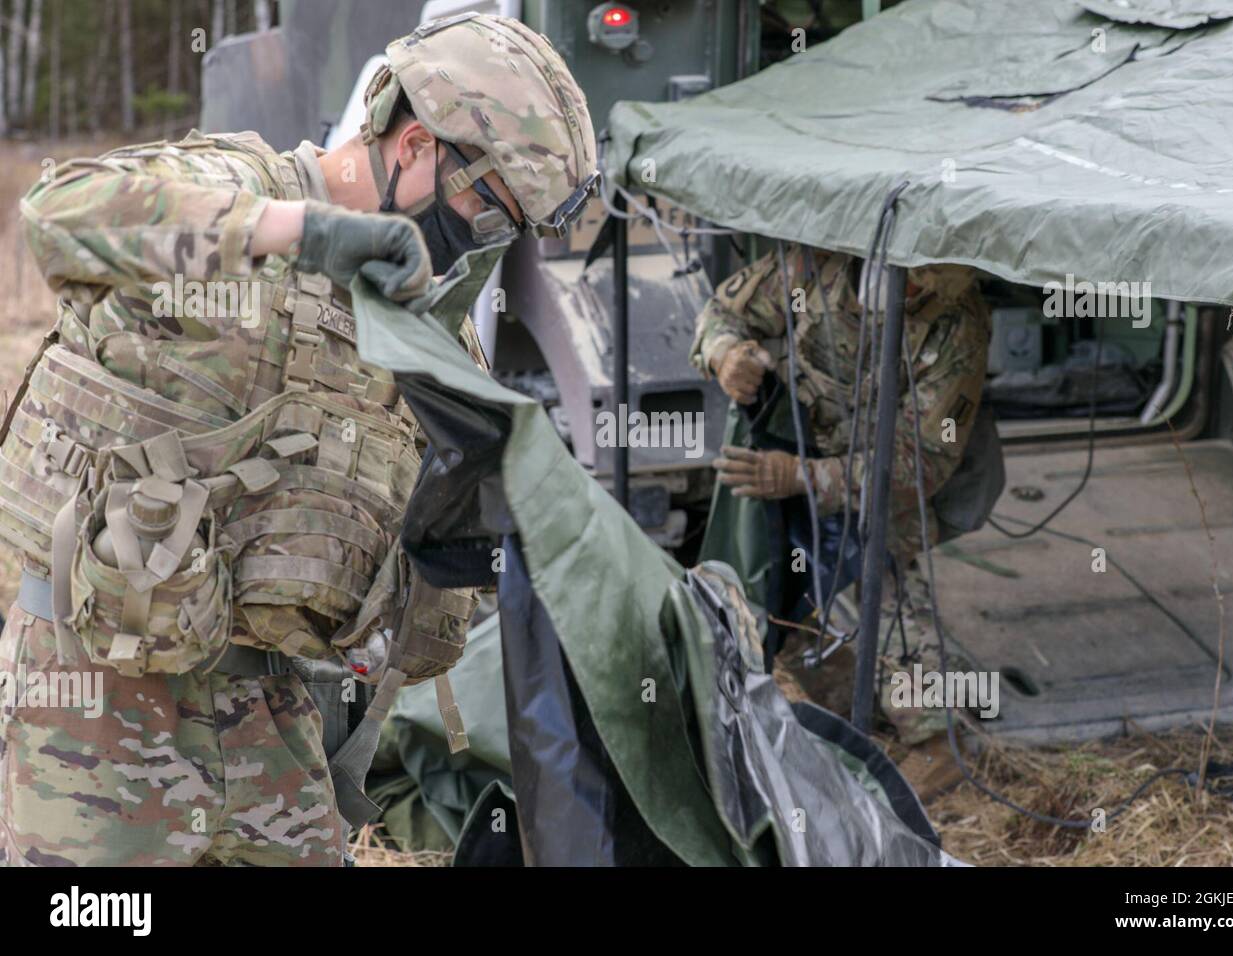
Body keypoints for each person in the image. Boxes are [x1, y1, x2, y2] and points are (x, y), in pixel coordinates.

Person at [0, 13, 597, 866]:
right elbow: (61, 216)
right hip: (96, 709)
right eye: (484, 207)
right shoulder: (236, 183)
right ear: (417, 146)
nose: (485, 241)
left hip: (273, 721)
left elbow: (427, 577)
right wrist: (308, 234)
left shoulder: (425, 329)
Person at [690, 244, 990, 798]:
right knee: (771, 587)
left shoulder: (957, 322)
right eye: (914, 278)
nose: (920, 293)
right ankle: (830, 704)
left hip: (879, 478)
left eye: (932, 284)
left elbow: (921, 461)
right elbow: (722, 311)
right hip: (798, 440)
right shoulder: (814, 267)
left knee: (890, 585)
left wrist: (804, 478)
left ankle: (933, 740)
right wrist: (726, 353)